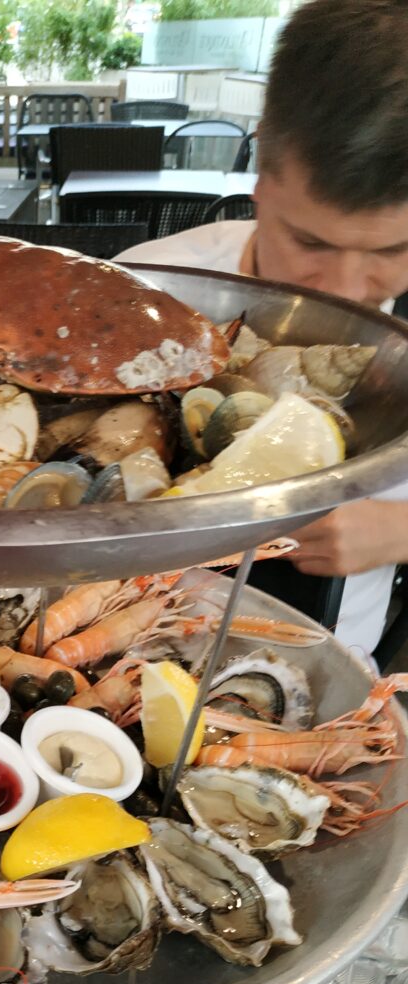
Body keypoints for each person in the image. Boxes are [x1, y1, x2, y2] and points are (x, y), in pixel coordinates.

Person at [116, 0, 408, 660]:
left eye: (391, 251)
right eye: (310, 241)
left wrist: (399, 530)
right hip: (121, 642)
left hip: (332, 666)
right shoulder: (148, 293)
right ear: (260, 185)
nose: (343, 288)